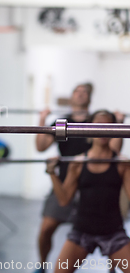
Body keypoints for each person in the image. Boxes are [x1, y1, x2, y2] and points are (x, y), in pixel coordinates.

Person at [34, 83, 125, 273]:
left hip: (110, 224)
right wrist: (42, 119)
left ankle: (112, 266)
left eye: (108, 127)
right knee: (46, 228)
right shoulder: (62, 123)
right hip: (75, 195)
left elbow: (115, 147)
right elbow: (41, 147)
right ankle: (41, 265)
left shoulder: (118, 159)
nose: (102, 130)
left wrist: (120, 123)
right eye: (78, 91)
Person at [47, 110, 130, 273]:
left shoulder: (122, 163)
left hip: (113, 232)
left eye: (108, 127)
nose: (102, 131)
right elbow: (64, 200)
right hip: (82, 231)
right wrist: (52, 173)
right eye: (98, 126)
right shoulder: (77, 163)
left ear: (115, 130)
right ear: (88, 129)